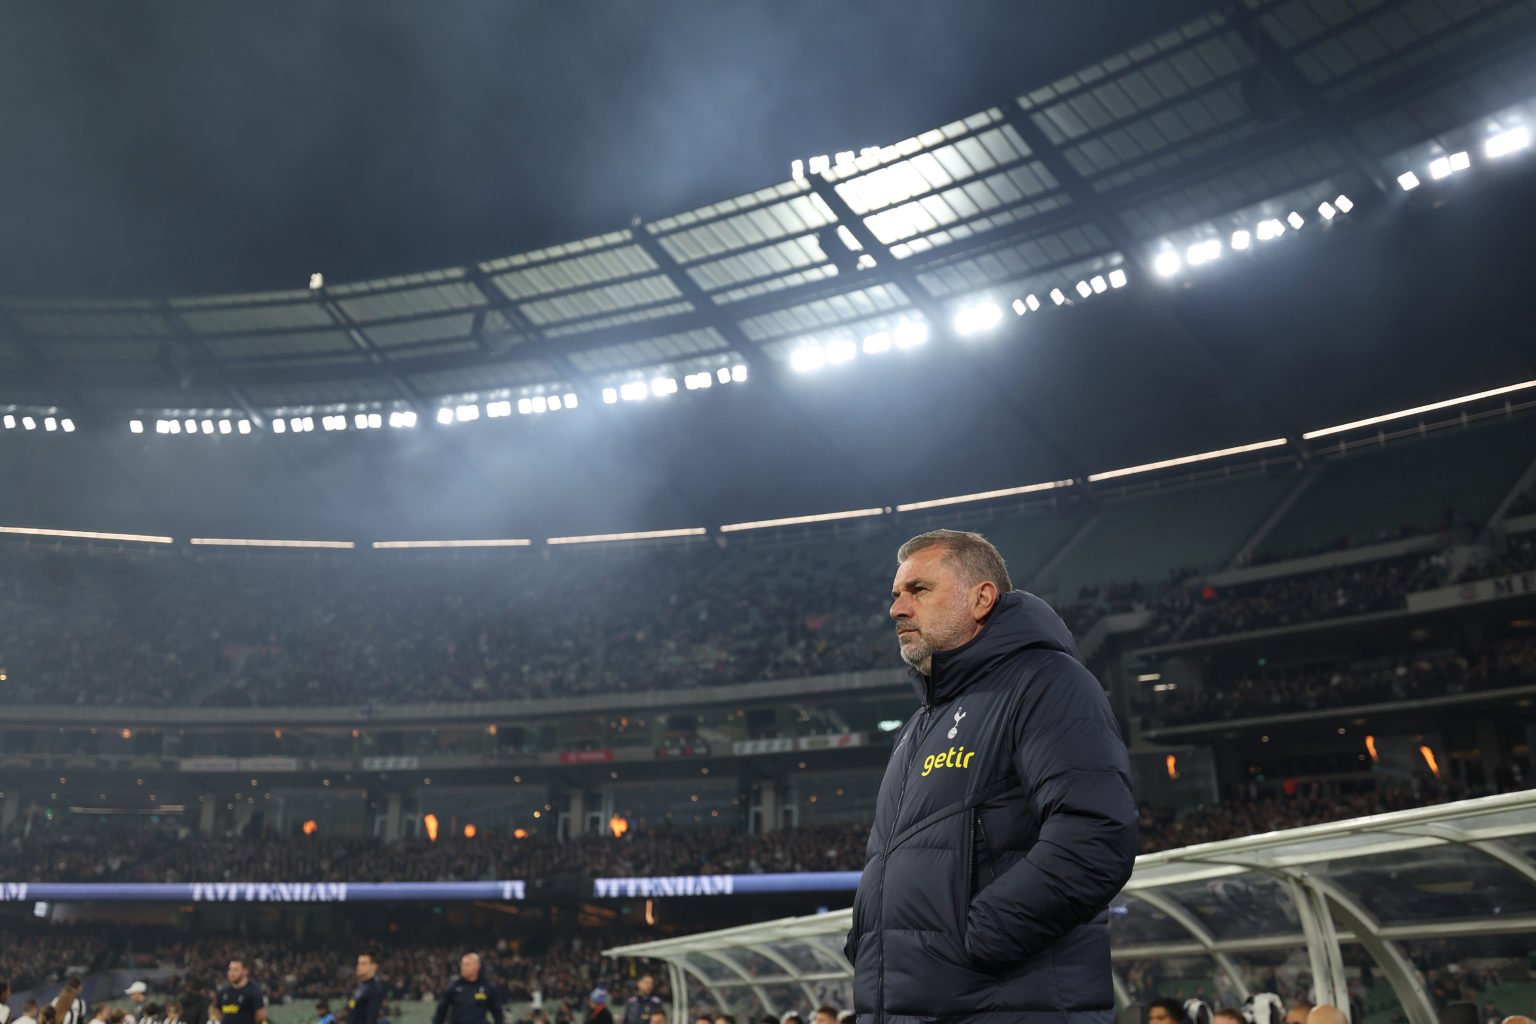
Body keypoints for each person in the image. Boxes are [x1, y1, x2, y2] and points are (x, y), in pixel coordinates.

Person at [846, 530, 1138, 1024]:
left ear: (981, 598)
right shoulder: (919, 726)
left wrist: (975, 940)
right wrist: (867, 945)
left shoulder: (1047, 681)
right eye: (896, 595)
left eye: (918, 590)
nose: (897, 608)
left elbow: (1095, 834)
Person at [432, 954, 504, 1024]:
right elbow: (441, 1011)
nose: (463, 967)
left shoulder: (487, 987)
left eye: (467, 965)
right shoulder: (454, 986)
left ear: (477, 967)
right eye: (462, 964)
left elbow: (497, 1013)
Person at [211, 958, 266, 1024]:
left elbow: (260, 1016)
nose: (231, 973)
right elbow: (216, 1010)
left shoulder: (253, 991)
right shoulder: (223, 991)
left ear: (245, 971)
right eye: (230, 969)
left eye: (235, 970)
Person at [347, 954, 384, 1024]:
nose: (358, 966)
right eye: (358, 963)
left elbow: (371, 1018)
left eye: (363, 964)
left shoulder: (373, 989)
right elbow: (351, 1006)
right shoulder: (360, 987)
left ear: (374, 967)